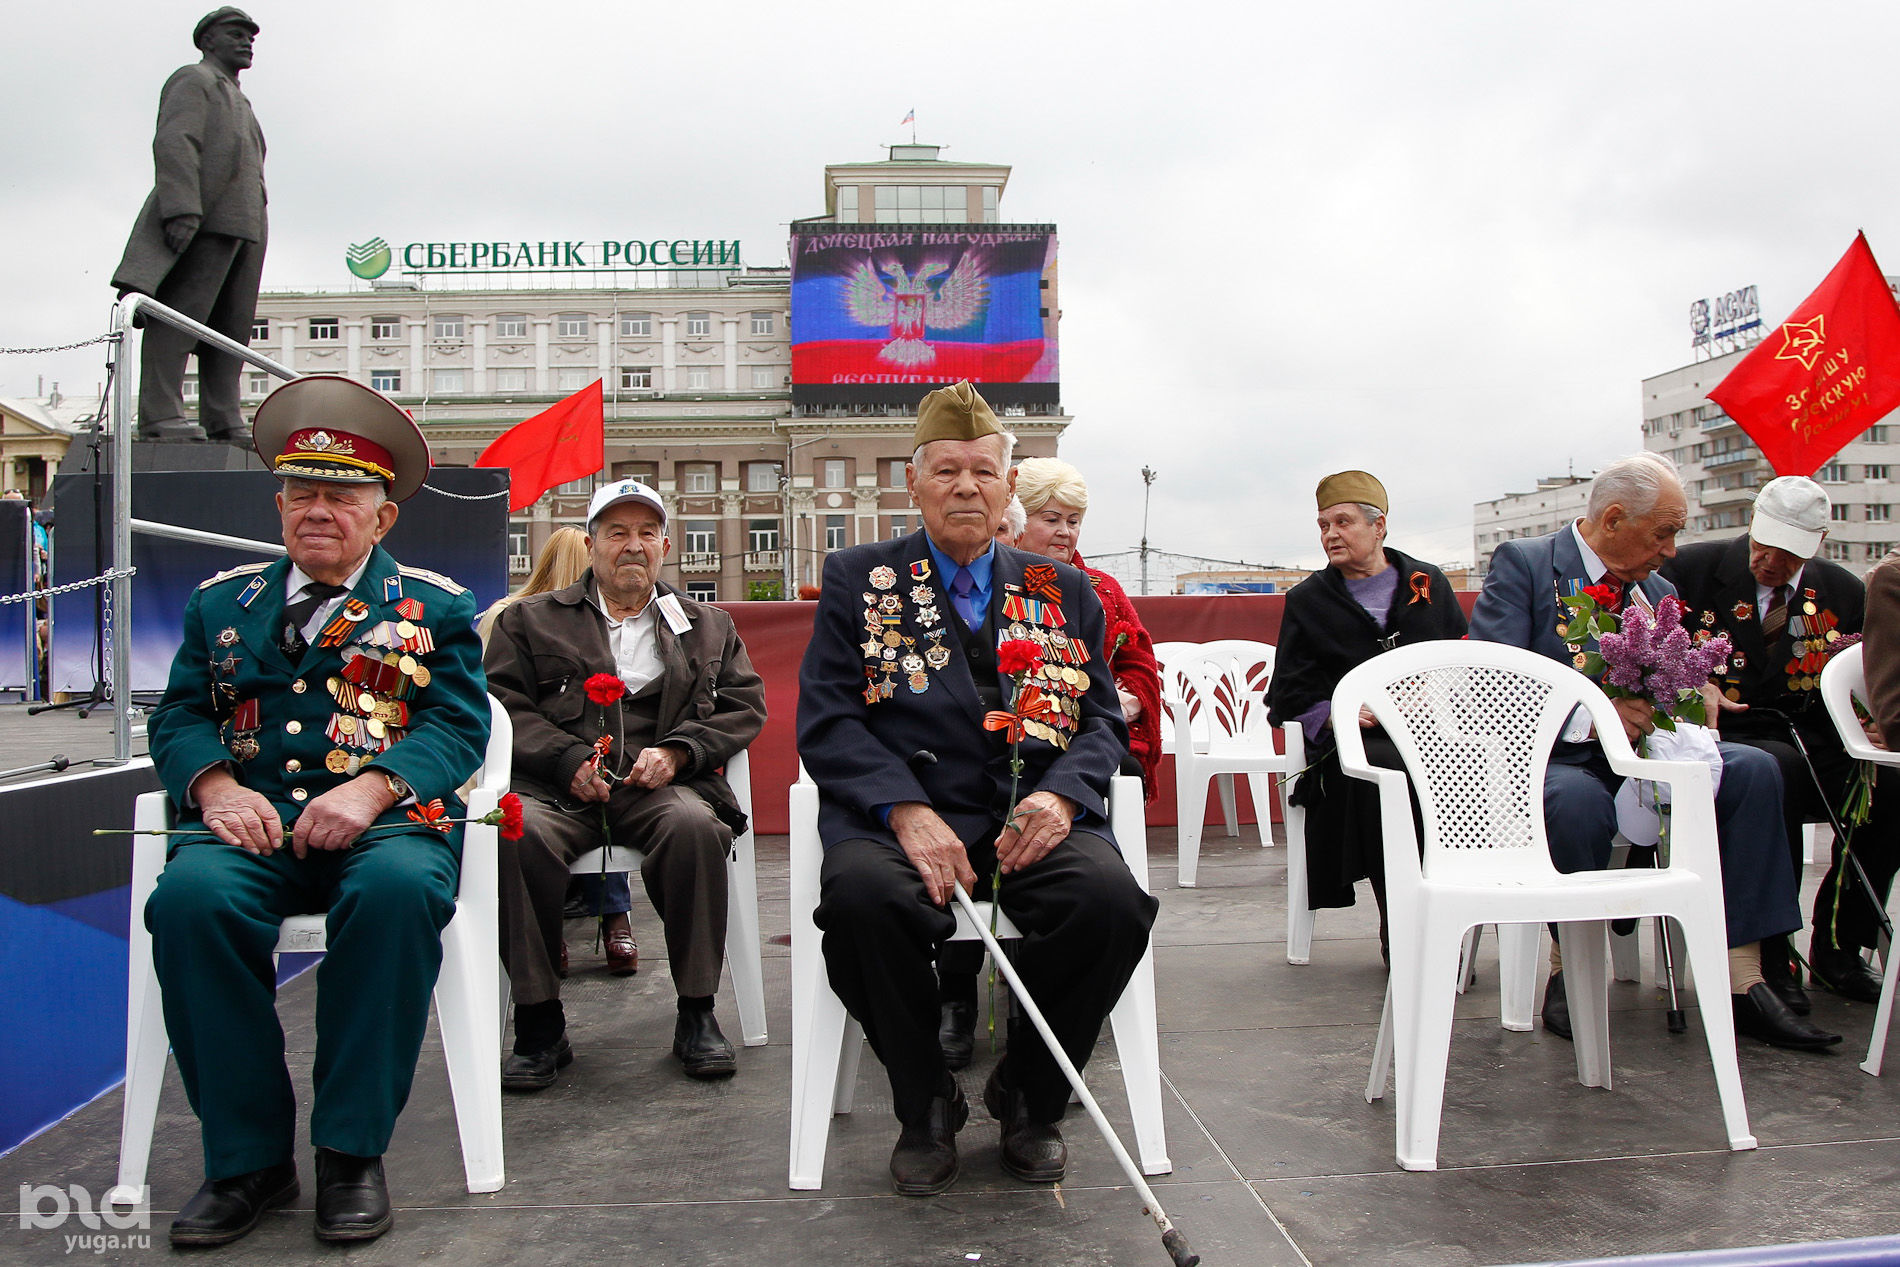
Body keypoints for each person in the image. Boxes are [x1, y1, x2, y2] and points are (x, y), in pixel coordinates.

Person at [144, 374, 489, 1246]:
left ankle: (349, 1151)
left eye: (343, 496)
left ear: (384, 516)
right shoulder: (223, 604)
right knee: (188, 903)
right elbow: (183, 712)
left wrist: (374, 786)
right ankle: (248, 1158)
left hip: (383, 826)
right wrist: (215, 787)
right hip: (250, 826)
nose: (319, 511)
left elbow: (457, 722)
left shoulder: (434, 606)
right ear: (280, 503)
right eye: (303, 493)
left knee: (400, 892)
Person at [797, 380, 1158, 1197]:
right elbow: (828, 721)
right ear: (914, 482)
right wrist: (904, 808)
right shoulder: (860, 577)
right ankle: (924, 1103)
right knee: (860, 904)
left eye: (984, 471)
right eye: (948, 470)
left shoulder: (1062, 591)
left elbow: (1102, 720)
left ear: (1007, 487)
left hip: (1032, 814)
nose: (967, 485)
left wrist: (1063, 796)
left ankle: (1030, 1096)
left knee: (1109, 904)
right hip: (902, 820)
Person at [1469, 451, 1838, 1050]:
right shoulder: (1528, 566)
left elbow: (1668, 676)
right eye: (1664, 532)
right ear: (1613, 519)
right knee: (1576, 802)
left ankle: (1745, 978)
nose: (1671, 550)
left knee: (1756, 770)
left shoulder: (1658, 589)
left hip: (1647, 758)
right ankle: (1570, 971)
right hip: (1554, 759)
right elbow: (1492, 685)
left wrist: (1696, 693)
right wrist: (1591, 721)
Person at [485, 478, 766, 1088]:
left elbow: (744, 706)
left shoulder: (708, 624)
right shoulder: (530, 622)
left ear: (665, 545)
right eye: (617, 532)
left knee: (693, 827)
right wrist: (565, 759)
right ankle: (539, 1020)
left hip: (659, 785)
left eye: (645, 533)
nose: (632, 546)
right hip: (558, 787)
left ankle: (697, 1012)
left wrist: (678, 752)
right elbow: (502, 704)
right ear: (591, 545)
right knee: (515, 833)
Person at [935, 457, 1166, 1071]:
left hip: (1073, 760)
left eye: (1074, 521)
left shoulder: (1098, 592)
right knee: (958, 832)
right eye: (1049, 518)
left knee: (1099, 890)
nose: (1065, 533)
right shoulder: (967, 587)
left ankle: (1044, 1002)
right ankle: (953, 994)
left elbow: (1137, 665)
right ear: (1014, 520)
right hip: (979, 769)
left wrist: (1116, 705)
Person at [1662, 476, 1897, 1007]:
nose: (1770, 560)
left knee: (1888, 784)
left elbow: (1870, 670)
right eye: (1763, 544)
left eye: (1788, 553)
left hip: (1815, 733)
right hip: (1726, 735)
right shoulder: (1689, 573)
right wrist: (1690, 684)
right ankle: (1773, 952)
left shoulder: (1842, 591)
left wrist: (1877, 717)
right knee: (1779, 771)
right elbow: (1653, 654)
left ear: (1817, 543)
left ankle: (1841, 945)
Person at [1265, 472, 1467, 959]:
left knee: (1469, 772)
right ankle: (1400, 918)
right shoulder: (1308, 599)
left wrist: (1436, 694)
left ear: (1380, 527)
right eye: (1323, 525)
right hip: (1355, 746)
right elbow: (1286, 693)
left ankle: (1455, 913)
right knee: (1384, 777)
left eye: (1343, 522)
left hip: (1434, 733)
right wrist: (1336, 713)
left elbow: (1463, 663)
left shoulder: (1427, 582)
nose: (1330, 534)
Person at [478, 527, 638, 977]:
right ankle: (610, 922)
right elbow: (499, 700)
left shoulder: (618, 620)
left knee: (610, 790)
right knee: (532, 821)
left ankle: (607, 917)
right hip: (529, 762)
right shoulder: (511, 617)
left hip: (596, 761)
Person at [112, 8, 268, 443]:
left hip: (246, 224)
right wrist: (181, 208)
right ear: (208, 41)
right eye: (236, 34)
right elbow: (175, 141)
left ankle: (223, 415)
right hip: (206, 217)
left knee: (230, 328)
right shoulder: (193, 80)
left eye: (251, 36)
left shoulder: (240, 98)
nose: (247, 42)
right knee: (181, 317)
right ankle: (161, 415)